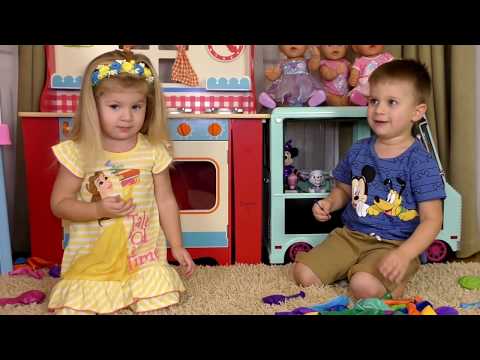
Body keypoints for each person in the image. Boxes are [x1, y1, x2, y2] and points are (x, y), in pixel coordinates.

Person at [48, 48, 195, 314]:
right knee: (79, 305)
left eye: (136, 106)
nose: (127, 117)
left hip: (143, 257)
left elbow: (165, 200)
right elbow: (59, 204)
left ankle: (140, 282)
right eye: (115, 106)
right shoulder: (79, 151)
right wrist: (97, 210)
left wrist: (177, 245)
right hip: (94, 262)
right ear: (94, 106)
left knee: (162, 295)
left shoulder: (153, 149)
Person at [293, 59, 445, 299]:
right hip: (351, 236)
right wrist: (330, 203)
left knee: (363, 287)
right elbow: (344, 189)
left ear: (417, 112)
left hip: (394, 244)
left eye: (391, 102)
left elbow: (432, 220)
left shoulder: (420, 162)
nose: (379, 110)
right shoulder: (358, 150)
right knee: (303, 274)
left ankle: (381, 278)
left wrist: (404, 254)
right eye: (374, 101)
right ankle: (354, 267)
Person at [258, 45, 326, 109]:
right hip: (286, 86)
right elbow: (276, 74)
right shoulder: (282, 63)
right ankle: (270, 101)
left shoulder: (306, 61)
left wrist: (316, 56)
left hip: (304, 84)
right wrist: (271, 75)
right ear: (280, 48)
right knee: (278, 93)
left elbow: (314, 67)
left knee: (310, 91)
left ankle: (313, 100)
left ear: (306, 47)